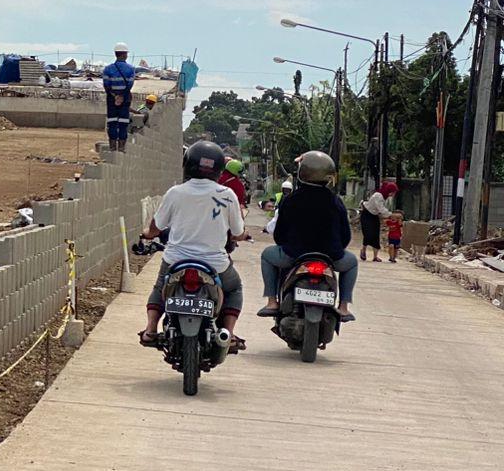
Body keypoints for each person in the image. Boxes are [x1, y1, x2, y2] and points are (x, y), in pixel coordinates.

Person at [139, 140, 248, 347]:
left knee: (160, 286)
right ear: (219, 168)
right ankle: (229, 333)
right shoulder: (227, 195)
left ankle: (151, 329)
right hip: (215, 264)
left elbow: (156, 226)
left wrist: (147, 234)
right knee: (234, 289)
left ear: (187, 164)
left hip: (176, 260)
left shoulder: (175, 192)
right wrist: (242, 235)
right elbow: (237, 232)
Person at [258, 151, 359, 321]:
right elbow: (345, 236)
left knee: (267, 255)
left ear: (302, 173)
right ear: (329, 177)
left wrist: (287, 245)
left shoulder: (290, 200)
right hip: (330, 257)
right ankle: (343, 307)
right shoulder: (336, 201)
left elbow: (279, 235)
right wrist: (336, 249)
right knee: (352, 262)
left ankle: (272, 301)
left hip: (294, 255)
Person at [102, 43, 136, 152]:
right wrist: (121, 96)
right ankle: (121, 148)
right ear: (125, 54)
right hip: (125, 99)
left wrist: (115, 96)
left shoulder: (107, 69)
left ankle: (112, 147)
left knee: (112, 123)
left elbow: (106, 85)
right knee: (123, 123)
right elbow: (130, 85)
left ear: (116, 54)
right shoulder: (130, 69)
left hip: (111, 100)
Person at [360, 180, 396, 262]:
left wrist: (388, 215)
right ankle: (363, 250)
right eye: (393, 192)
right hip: (367, 214)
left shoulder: (385, 197)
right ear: (389, 191)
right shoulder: (378, 196)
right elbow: (381, 208)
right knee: (368, 233)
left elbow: (381, 210)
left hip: (374, 216)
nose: (393, 194)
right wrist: (391, 215)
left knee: (376, 235)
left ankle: (375, 256)